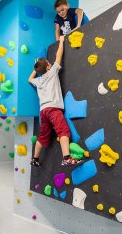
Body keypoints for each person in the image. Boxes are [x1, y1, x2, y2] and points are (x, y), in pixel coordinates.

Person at [28, 36, 83, 167]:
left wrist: (36, 70)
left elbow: (29, 79)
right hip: (53, 109)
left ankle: (35, 159)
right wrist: (62, 42)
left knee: (42, 136)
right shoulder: (52, 72)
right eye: (48, 62)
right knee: (63, 131)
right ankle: (66, 158)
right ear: (48, 67)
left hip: (43, 111)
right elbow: (59, 56)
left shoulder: (39, 80)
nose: (51, 63)